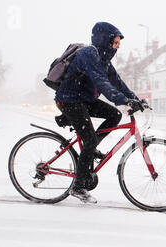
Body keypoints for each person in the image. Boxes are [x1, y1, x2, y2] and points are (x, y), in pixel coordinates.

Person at [55, 22, 144, 203]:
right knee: (88, 139)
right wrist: (123, 100)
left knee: (115, 115)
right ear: (105, 40)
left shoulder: (103, 60)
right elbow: (101, 82)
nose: (117, 47)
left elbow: (117, 82)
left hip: (83, 100)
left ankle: (90, 148)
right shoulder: (89, 54)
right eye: (115, 42)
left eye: (119, 43)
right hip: (69, 99)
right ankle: (78, 186)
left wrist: (135, 98)